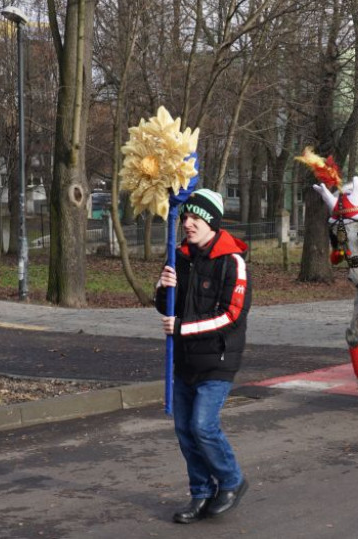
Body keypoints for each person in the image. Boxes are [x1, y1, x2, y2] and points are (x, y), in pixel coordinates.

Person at [155, 189, 251, 524]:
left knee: (203, 426)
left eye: (195, 218)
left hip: (217, 360)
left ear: (211, 221)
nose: (188, 224)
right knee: (184, 429)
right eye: (185, 217)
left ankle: (231, 481)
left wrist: (182, 328)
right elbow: (166, 307)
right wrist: (163, 286)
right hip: (184, 360)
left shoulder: (232, 262)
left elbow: (231, 315)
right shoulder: (179, 257)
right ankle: (200, 492)